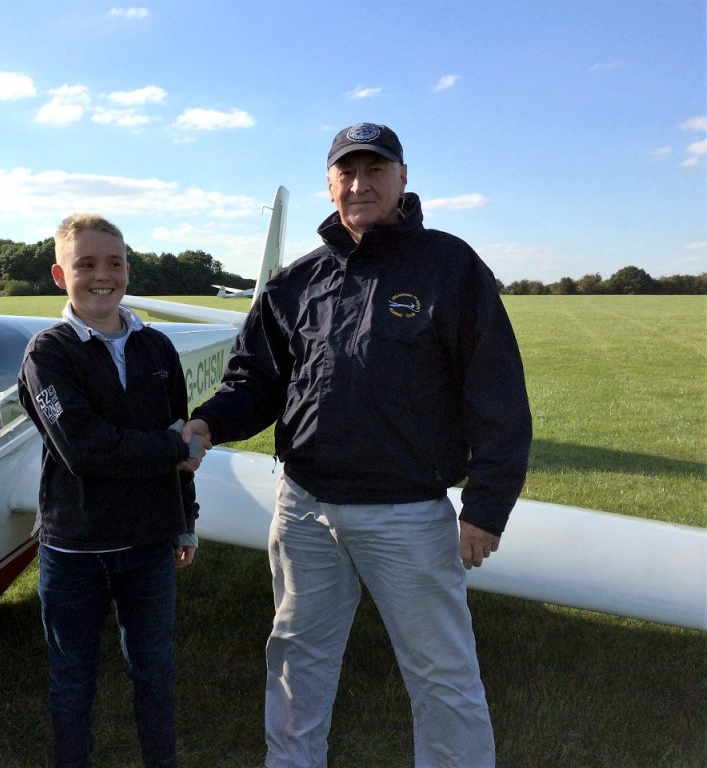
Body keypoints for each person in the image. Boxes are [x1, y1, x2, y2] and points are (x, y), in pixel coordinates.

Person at [185, 122, 532, 768]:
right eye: (346, 172)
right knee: (295, 663)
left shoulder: (449, 267)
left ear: (402, 180)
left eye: (375, 170)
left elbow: (499, 394)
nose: (359, 183)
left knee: (443, 678)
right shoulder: (297, 282)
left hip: (407, 515)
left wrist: (487, 506)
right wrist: (207, 423)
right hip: (305, 509)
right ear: (329, 183)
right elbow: (255, 381)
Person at [18, 213, 202, 768]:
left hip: (148, 545)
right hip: (73, 549)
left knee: (155, 673)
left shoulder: (157, 349)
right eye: (87, 264)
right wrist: (171, 447)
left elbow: (182, 454)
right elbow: (84, 449)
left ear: (128, 269)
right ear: (60, 274)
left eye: (115, 263)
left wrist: (184, 519)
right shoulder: (47, 354)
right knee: (72, 681)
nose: (104, 276)